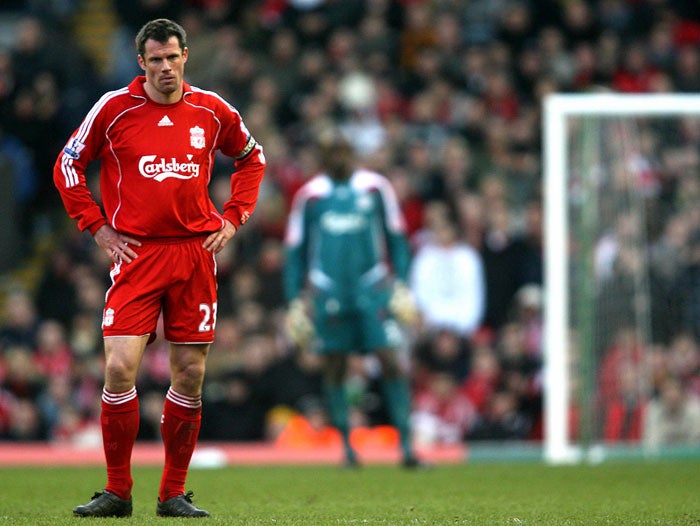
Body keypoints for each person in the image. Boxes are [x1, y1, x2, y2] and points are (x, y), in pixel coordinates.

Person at [52, 18, 265, 518]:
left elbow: (252, 158)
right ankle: (117, 490)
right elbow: (67, 164)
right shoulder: (114, 108)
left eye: (172, 57)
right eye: (155, 60)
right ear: (141, 61)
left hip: (194, 254)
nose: (165, 67)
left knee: (189, 374)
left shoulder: (212, 110)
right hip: (137, 254)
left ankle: (172, 493)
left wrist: (234, 217)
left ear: (185, 55)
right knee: (117, 367)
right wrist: (97, 227)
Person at [283, 129, 423, 468]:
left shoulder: (375, 188)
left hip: (372, 290)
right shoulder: (311, 196)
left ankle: (407, 447)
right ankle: (346, 447)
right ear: (322, 157)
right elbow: (295, 251)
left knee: (390, 360)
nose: (338, 157)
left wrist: (401, 284)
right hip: (329, 292)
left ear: (352, 152)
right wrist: (294, 300)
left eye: (343, 150)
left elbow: (397, 238)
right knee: (335, 367)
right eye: (331, 151)